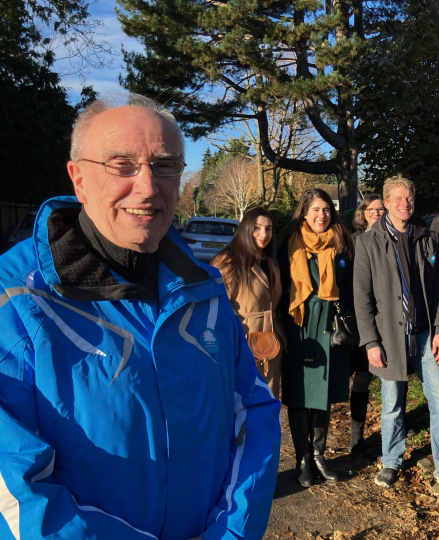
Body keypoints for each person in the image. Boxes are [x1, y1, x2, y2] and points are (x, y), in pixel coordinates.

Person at [0, 95, 280, 539]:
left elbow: (255, 411)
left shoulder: (205, 291)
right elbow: (16, 494)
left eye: (164, 165)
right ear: (79, 179)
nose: (148, 187)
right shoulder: (14, 300)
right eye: (121, 164)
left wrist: (231, 533)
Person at [354, 175, 439, 498]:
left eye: (409, 198)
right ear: (387, 203)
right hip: (389, 336)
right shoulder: (367, 243)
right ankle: (391, 460)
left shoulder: (429, 238)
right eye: (398, 199)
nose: (405, 204)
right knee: (392, 404)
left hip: (424, 334)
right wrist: (371, 342)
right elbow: (361, 298)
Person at [278, 188, 354, 487]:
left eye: (326, 210)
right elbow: (278, 286)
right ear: (304, 212)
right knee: (299, 394)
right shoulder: (288, 244)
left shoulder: (342, 241)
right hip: (299, 327)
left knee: (323, 395)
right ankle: (302, 459)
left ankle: (319, 455)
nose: (321, 215)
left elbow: (350, 286)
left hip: (331, 328)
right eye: (316, 210)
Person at [348, 194, 413, 453]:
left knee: (397, 378)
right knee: (362, 380)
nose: (375, 213)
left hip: (391, 325)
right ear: (362, 214)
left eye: (378, 209)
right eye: (369, 209)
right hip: (362, 324)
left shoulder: (393, 237)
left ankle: (398, 425)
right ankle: (357, 433)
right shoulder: (356, 242)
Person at [212, 207, 286, 396]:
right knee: (242, 406)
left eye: (268, 228)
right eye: (257, 227)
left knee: (268, 405)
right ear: (245, 229)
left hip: (269, 346)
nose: (264, 234)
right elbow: (216, 310)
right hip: (241, 346)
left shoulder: (270, 262)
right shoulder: (229, 262)